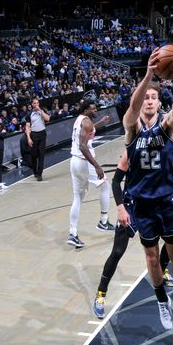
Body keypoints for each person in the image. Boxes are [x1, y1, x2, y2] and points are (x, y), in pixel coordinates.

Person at [123, 47, 173, 333]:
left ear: (158, 102)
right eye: (146, 98)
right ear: (142, 102)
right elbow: (131, 109)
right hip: (142, 202)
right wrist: (149, 76)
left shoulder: (166, 128)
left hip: (167, 200)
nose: (150, 101)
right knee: (152, 257)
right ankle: (161, 302)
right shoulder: (132, 129)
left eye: (154, 96)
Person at [93, 150, 173, 319]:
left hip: (154, 203)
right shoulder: (130, 151)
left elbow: (170, 175)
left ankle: (161, 268)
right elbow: (115, 182)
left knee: (171, 239)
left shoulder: (160, 146)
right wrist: (121, 208)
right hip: (131, 205)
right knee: (117, 252)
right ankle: (101, 294)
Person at [68, 100, 114, 249]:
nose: (96, 111)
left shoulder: (81, 120)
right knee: (105, 186)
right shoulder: (86, 122)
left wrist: (100, 122)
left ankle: (73, 234)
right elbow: (83, 146)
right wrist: (97, 166)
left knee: (78, 198)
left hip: (74, 162)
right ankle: (103, 221)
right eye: (93, 109)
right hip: (84, 162)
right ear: (86, 110)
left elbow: (90, 129)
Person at [25, 98, 51, 181]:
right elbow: (27, 127)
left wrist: (40, 111)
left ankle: (39, 174)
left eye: (37, 103)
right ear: (32, 104)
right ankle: (35, 171)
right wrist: (29, 138)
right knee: (34, 155)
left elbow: (47, 119)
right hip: (34, 135)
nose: (36, 104)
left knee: (41, 155)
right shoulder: (29, 114)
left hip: (42, 134)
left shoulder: (42, 112)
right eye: (34, 103)